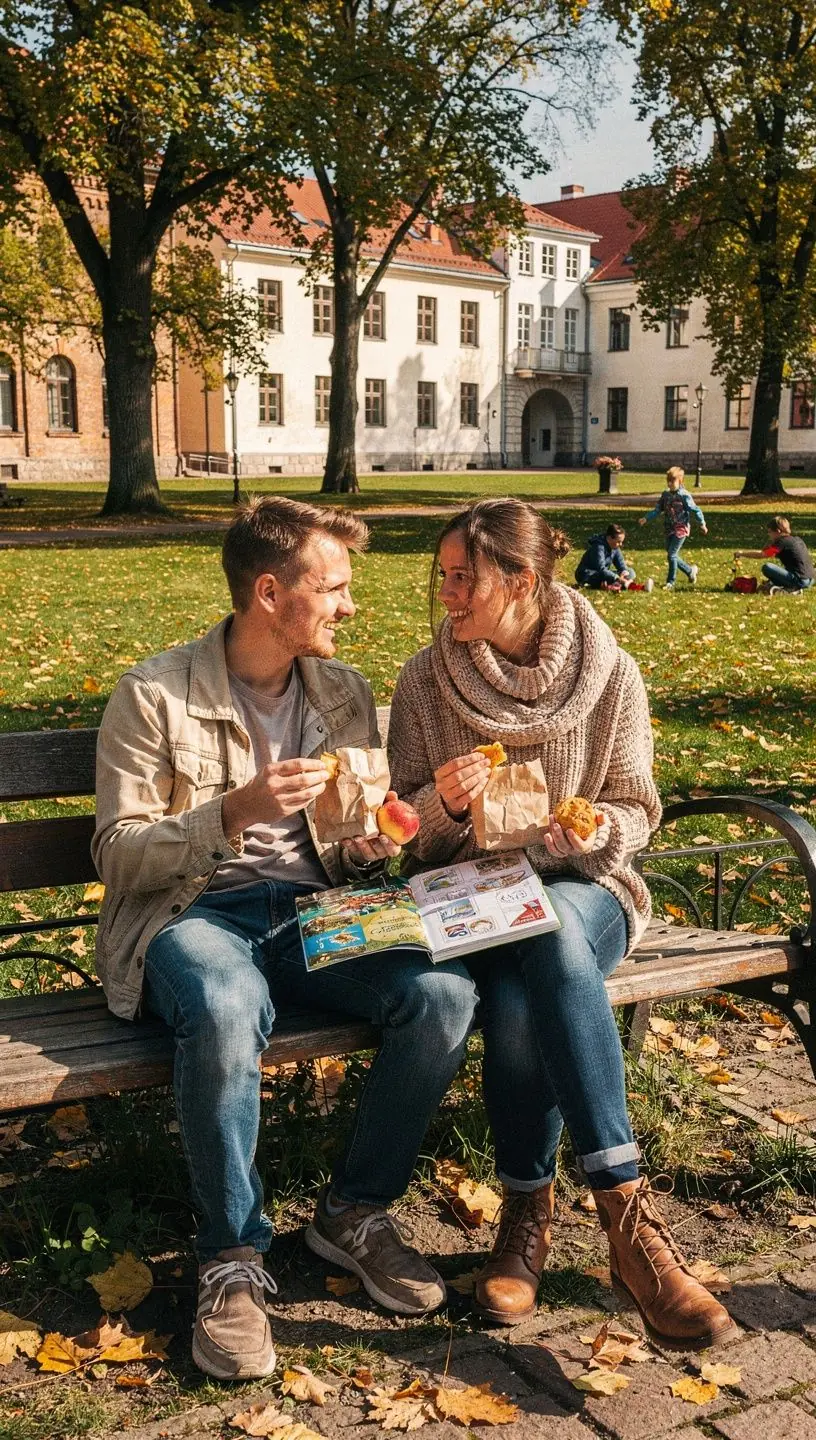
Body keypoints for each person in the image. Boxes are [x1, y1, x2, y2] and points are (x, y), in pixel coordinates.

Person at [92, 497, 477, 1381]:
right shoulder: (153, 695)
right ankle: (232, 1257)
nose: (349, 606)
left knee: (443, 995)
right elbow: (119, 858)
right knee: (226, 1008)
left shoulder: (342, 692)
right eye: (334, 588)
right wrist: (235, 812)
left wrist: (378, 841)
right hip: (196, 918)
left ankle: (353, 1212)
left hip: (312, 916)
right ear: (270, 592)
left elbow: (351, 838)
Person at [387, 496, 737, 1350]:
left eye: (464, 577)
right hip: (473, 903)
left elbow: (635, 807)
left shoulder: (609, 671)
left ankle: (604, 1213)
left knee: (545, 933)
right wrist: (445, 802)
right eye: (444, 577)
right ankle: (555, 1217)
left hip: (587, 891)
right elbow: (398, 831)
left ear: (525, 579)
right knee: (515, 990)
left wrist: (596, 826)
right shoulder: (423, 682)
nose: (448, 594)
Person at [638, 466, 708, 589]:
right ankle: (690, 571)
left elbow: (695, 509)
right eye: (668, 481)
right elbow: (657, 510)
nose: (670, 484)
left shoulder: (684, 495)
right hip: (668, 528)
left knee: (671, 555)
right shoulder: (665, 495)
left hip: (681, 529)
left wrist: (702, 523)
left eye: (673, 481)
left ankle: (671, 582)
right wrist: (646, 518)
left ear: (680, 481)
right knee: (672, 555)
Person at [734, 516, 815, 595]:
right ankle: (781, 585)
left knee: (767, 567)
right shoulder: (796, 539)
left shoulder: (782, 542)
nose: (769, 534)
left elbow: (762, 554)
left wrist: (741, 553)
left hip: (800, 581)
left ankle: (792, 589)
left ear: (778, 531)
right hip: (810, 579)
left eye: (770, 532)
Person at [574, 524, 639, 591]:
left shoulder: (615, 547)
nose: (620, 544)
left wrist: (624, 572)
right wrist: (617, 578)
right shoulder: (598, 547)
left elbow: (621, 564)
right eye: (618, 542)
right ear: (610, 538)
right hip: (587, 574)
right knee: (606, 577)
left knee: (631, 572)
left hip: (603, 574)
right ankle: (616, 584)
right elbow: (601, 569)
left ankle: (614, 584)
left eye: (621, 542)